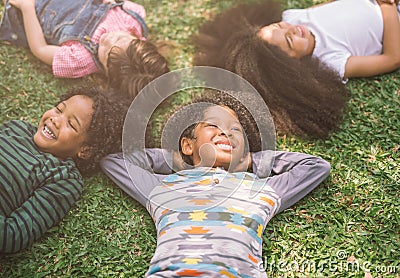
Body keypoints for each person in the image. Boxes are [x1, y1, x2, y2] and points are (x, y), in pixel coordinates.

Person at [101, 91, 331, 277]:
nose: (225, 131)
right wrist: (177, 159)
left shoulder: (259, 189)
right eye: (212, 125)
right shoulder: (164, 186)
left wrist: (250, 161)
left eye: (235, 129)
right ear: (188, 144)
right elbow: (116, 161)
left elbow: (315, 166)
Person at [192, 0, 399, 139]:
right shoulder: (331, 60)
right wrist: (387, 7)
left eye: (279, 27)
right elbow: (392, 58)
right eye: (290, 41)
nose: (292, 29)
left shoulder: (293, 18)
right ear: (292, 66)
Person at [0, 86, 127, 254]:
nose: (55, 120)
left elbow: (13, 236)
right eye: (59, 109)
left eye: (71, 124)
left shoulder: (63, 178)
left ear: (85, 150)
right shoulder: (16, 128)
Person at [0, 0, 170, 100]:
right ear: (139, 39)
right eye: (119, 38)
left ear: (107, 73)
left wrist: (26, 7)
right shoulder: (133, 23)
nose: (107, 38)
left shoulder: (80, 59)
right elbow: (133, 7)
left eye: (105, 51)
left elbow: (40, 48)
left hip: (37, 7)